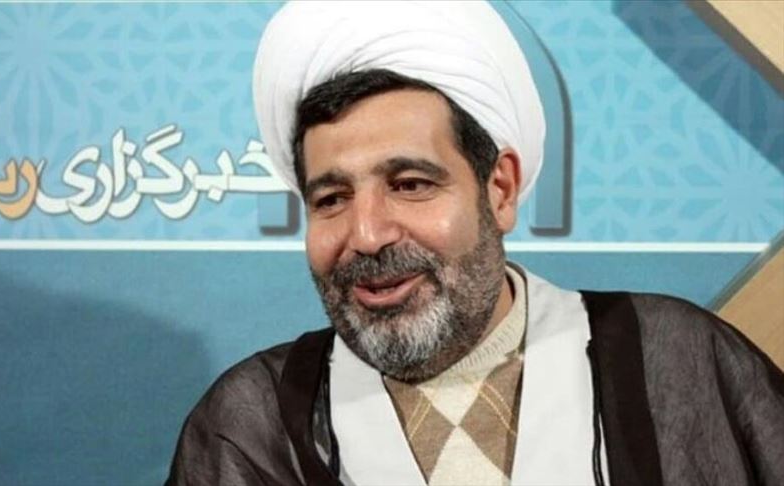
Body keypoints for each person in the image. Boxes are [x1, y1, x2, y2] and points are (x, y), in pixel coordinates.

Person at [167, 2, 784, 485]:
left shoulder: (677, 359)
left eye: (410, 185)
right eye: (331, 199)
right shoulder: (252, 424)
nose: (368, 234)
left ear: (500, 190)